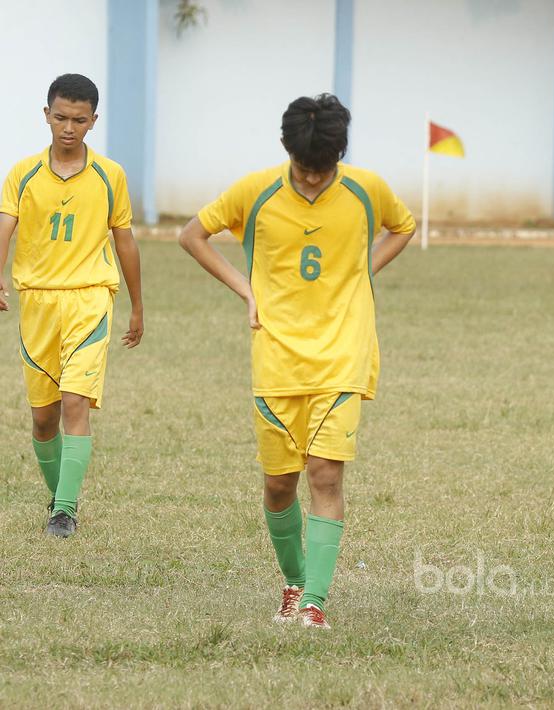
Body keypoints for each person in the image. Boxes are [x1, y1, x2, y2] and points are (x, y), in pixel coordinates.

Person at [177, 94, 417, 629]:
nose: (311, 181)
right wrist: (246, 289)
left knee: (326, 475)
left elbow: (404, 226)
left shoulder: (366, 189)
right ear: (288, 152)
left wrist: (363, 272)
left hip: (343, 354)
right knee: (279, 484)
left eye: (322, 170)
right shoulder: (255, 191)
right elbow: (191, 235)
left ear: (340, 156)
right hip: (276, 358)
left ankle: (314, 603)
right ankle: (292, 582)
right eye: (304, 170)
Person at [0, 73, 144, 538]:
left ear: (93, 121)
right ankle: (58, 499)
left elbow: (125, 241)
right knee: (44, 419)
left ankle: (64, 511)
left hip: (89, 299)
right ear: (46, 115)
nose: (68, 127)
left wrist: (137, 306)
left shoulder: (110, 175)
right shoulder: (22, 174)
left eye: (79, 120)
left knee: (74, 402)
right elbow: (5, 227)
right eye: (60, 117)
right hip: (37, 303)